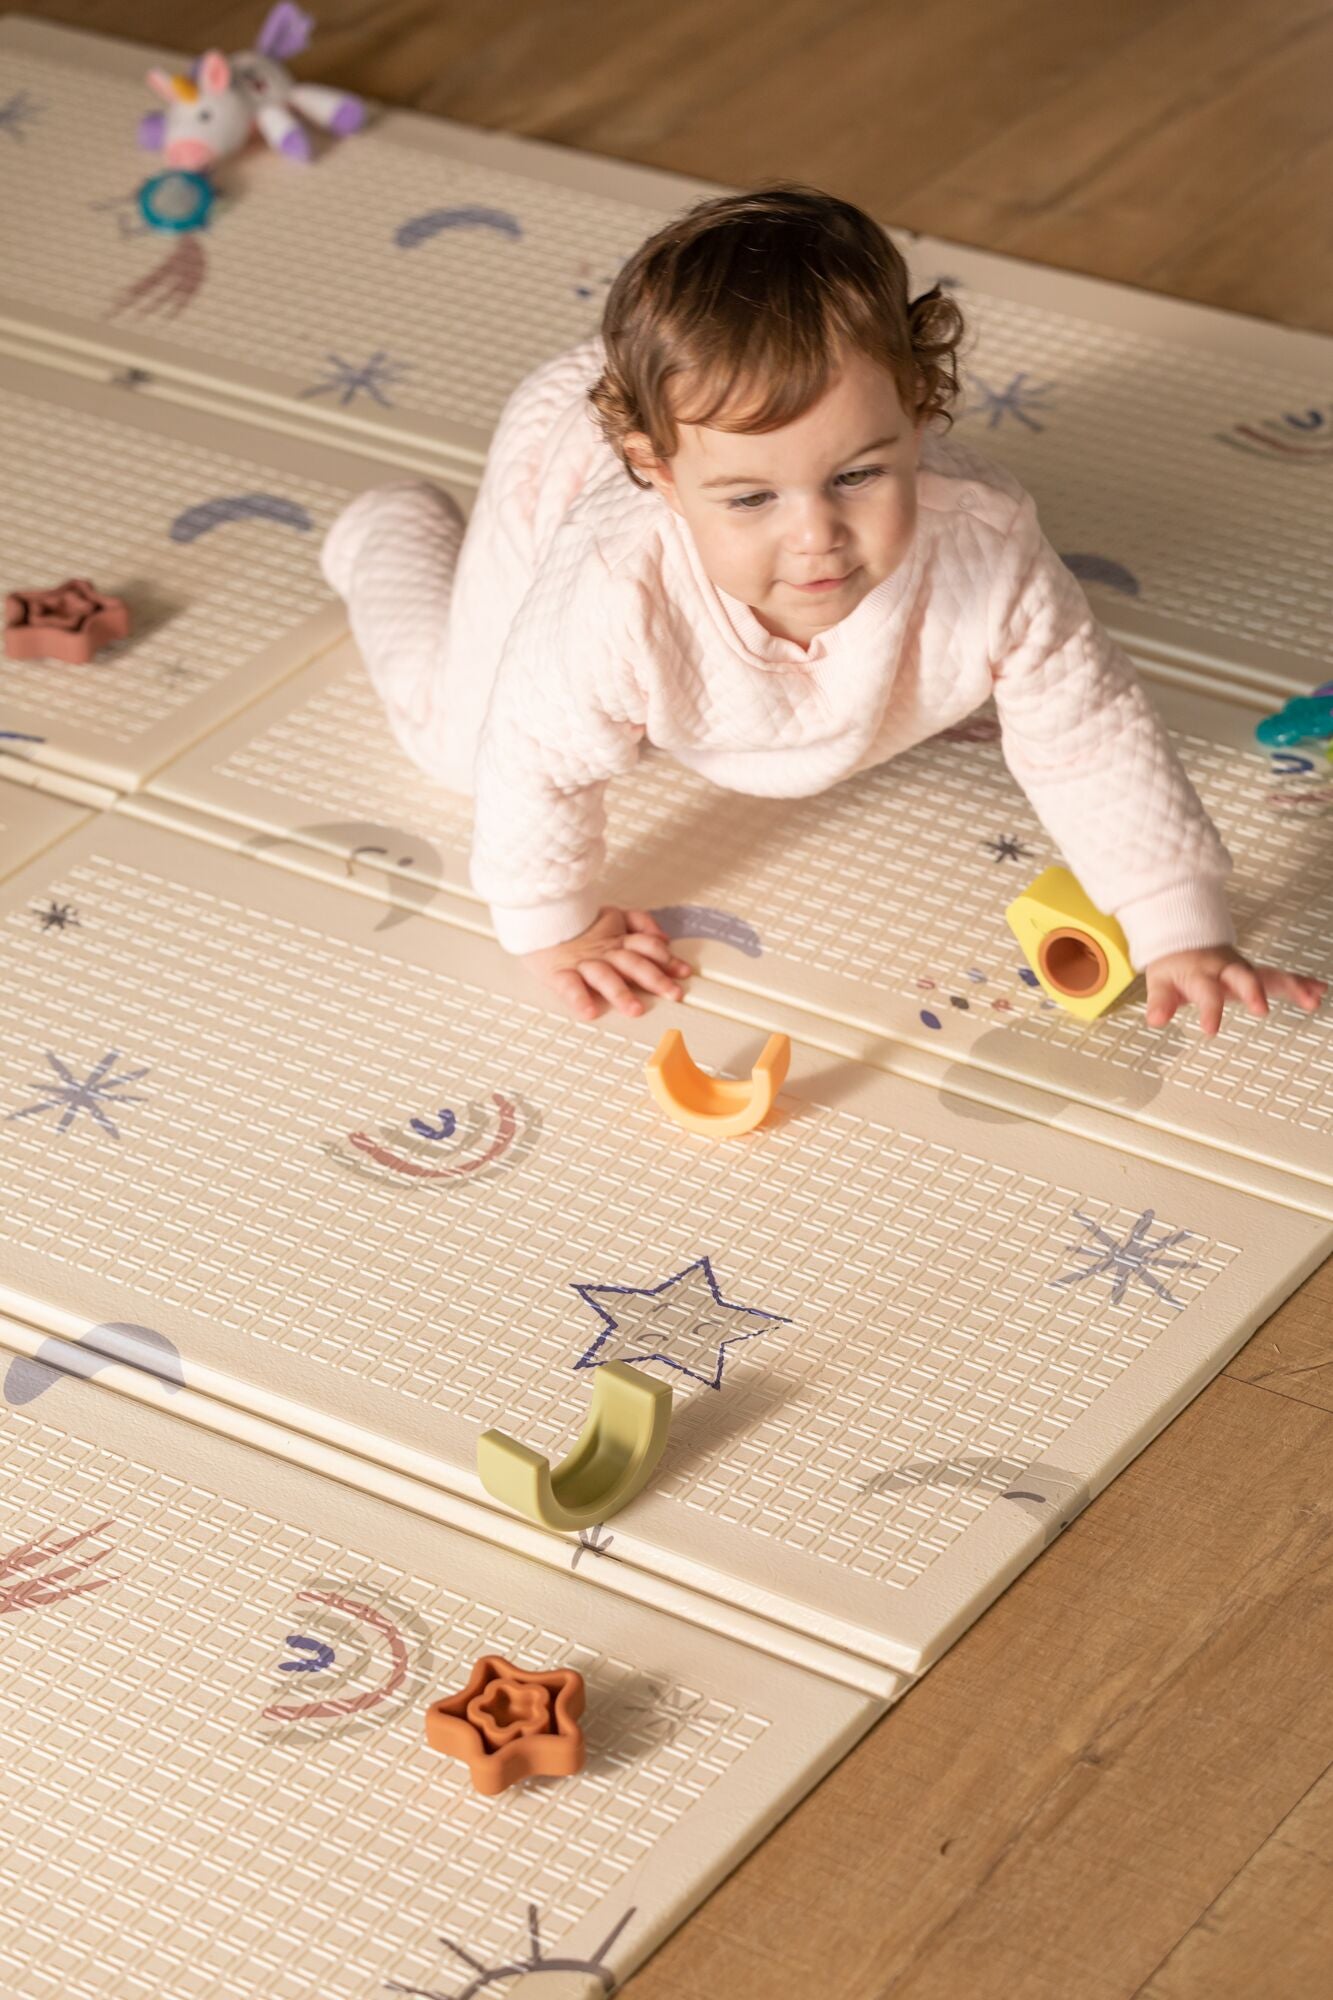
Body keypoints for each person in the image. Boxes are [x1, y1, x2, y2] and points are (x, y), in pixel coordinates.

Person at [321, 183, 1326, 1037]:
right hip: (563, 465)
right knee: (464, 747)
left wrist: (1177, 925)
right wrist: (552, 920)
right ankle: (386, 535)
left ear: (919, 412)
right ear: (659, 477)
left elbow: (1087, 724)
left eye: (856, 473)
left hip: (702, 412)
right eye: (752, 498)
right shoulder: (610, 584)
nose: (815, 537)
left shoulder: (982, 542)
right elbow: (536, 753)